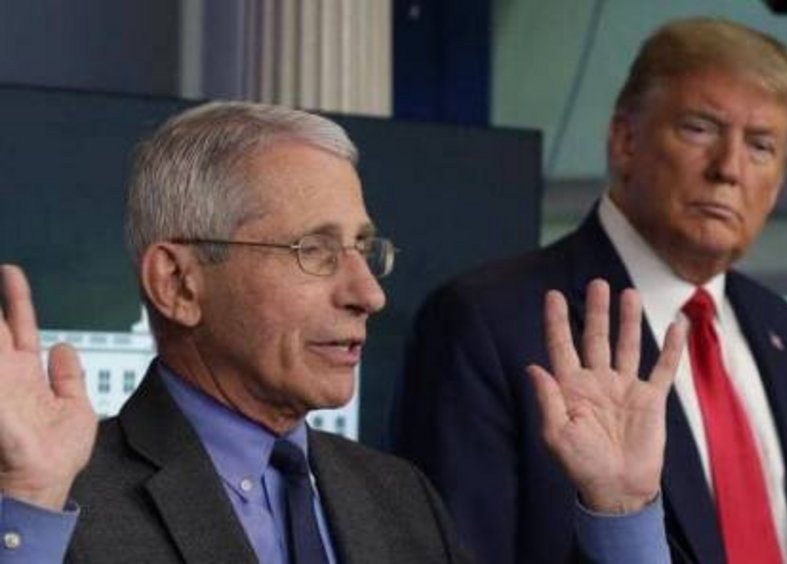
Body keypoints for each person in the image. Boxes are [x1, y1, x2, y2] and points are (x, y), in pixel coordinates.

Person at [0, 102, 682, 563]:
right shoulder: (53, 509)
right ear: (179, 283)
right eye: (315, 251)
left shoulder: (399, 498)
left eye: (363, 248)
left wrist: (620, 512)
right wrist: (27, 509)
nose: (369, 294)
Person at [392, 17, 787, 564]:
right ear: (625, 140)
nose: (728, 168)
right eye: (700, 129)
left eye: (760, 146)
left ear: (777, 183)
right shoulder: (487, 322)